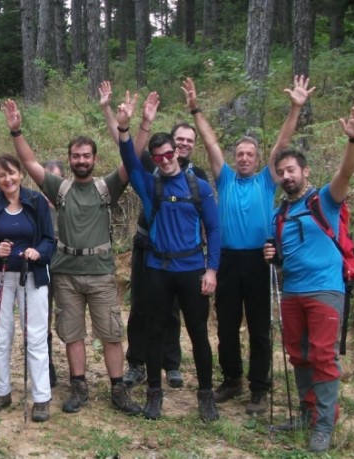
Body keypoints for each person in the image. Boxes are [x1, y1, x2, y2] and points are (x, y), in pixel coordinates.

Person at [183, 75, 315, 414]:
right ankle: (231, 380)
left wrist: (295, 108)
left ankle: (259, 388)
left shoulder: (266, 181)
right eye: (239, 154)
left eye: (249, 154)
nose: (243, 158)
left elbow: (283, 141)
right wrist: (196, 109)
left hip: (259, 260)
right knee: (226, 326)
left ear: (258, 160)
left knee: (259, 328)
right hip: (226, 261)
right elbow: (211, 143)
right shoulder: (224, 177)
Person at [3, 99, 142, 416]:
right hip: (65, 273)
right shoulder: (59, 188)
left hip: (101, 274)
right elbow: (30, 163)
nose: (81, 160)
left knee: (110, 334)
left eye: (86, 156)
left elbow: (132, 160)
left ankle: (118, 388)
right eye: (76, 156)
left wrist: (129, 126)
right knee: (72, 332)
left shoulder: (107, 186)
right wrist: (16, 131)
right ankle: (78, 387)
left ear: (95, 158)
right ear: (69, 159)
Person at [264, 106, 354, 452]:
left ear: (305, 171)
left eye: (291, 170)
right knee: (299, 354)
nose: (286, 176)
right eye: (281, 172)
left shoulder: (325, 200)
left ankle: (324, 423)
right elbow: (283, 253)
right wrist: (273, 254)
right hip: (292, 292)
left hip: (324, 290)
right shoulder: (281, 213)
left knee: (322, 355)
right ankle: (307, 415)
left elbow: (346, 173)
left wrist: (353, 139)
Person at [115, 92, 221, 422]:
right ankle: (154, 395)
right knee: (156, 331)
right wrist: (125, 129)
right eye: (158, 157)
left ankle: (205, 395)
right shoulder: (150, 186)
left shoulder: (199, 187)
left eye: (168, 154)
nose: (164, 160)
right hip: (158, 269)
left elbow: (214, 230)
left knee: (199, 334)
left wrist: (212, 270)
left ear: (178, 151)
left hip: (191, 269)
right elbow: (131, 163)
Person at [100, 81, 209, 389]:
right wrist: (113, 113)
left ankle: (170, 364)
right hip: (147, 245)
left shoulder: (197, 177)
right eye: (180, 139)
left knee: (172, 310)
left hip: (182, 255)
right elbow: (126, 152)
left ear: (194, 144)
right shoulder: (155, 164)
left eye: (190, 140)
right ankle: (137, 362)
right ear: (170, 143)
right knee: (142, 305)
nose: (184, 145)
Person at [0, 154, 55, 422]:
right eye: (1, 175)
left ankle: (42, 397)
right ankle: (0, 391)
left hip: (31, 275)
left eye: (11, 173)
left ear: (20, 173)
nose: (7, 179)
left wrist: (38, 253)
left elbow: (49, 239)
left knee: (35, 336)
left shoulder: (36, 202)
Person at [42, 159, 64, 388]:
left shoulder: (67, 203)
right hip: (43, 268)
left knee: (67, 319)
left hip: (66, 268)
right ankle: (47, 366)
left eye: (55, 178)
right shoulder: (34, 203)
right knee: (43, 320)